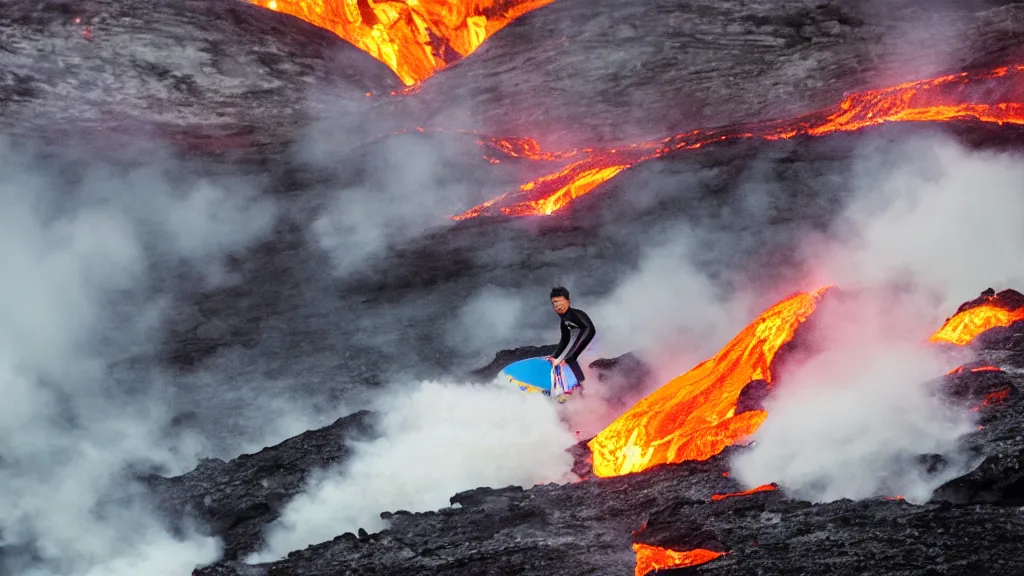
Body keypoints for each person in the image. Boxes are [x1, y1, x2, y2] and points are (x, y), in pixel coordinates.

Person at [548, 286, 596, 386]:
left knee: (570, 358)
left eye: (560, 302)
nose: (558, 306)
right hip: (583, 336)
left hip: (589, 333)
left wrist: (559, 359)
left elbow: (588, 329)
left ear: (568, 301)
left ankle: (583, 384)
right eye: (554, 303)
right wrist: (554, 356)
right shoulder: (564, 320)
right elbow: (565, 339)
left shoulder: (574, 315)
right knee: (567, 358)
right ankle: (577, 383)